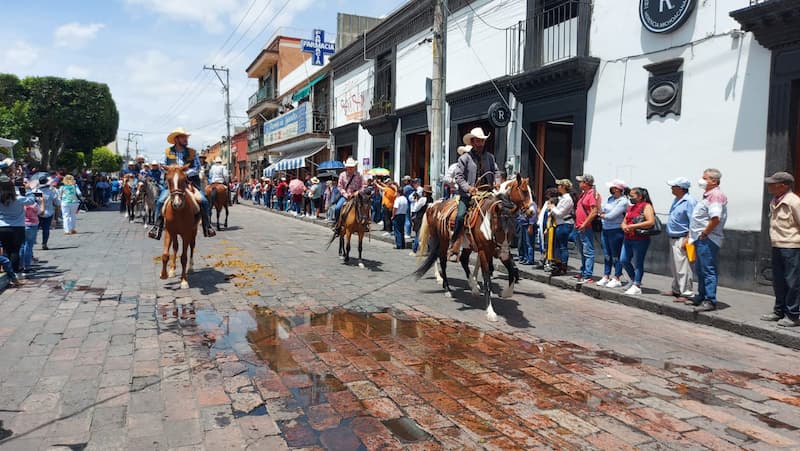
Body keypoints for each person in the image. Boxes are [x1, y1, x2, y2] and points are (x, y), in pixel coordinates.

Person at [148, 127, 216, 239]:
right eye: (183, 137)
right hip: (172, 184)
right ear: (176, 139)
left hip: (190, 183)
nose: (186, 139)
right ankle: (157, 227)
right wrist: (172, 172)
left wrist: (184, 173)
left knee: (203, 201)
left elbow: (197, 167)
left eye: (186, 137)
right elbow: (161, 165)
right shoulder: (168, 152)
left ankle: (207, 227)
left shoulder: (192, 152)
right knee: (160, 201)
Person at [449, 127, 501, 261]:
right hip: (469, 195)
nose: (480, 144)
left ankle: (499, 244)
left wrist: (497, 181)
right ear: (472, 142)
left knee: (500, 213)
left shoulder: (490, 157)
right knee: (460, 216)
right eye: (477, 141)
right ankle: (455, 246)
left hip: (487, 193)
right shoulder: (464, 158)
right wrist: (468, 188)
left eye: (482, 141)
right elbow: (459, 176)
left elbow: (496, 172)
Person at [685, 168, 728, 312]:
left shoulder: (715, 195)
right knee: (700, 269)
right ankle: (701, 295)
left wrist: (705, 233)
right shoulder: (708, 195)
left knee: (708, 269)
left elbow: (715, 218)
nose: (701, 180)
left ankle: (710, 300)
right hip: (700, 238)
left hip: (708, 238)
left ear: (714, 181)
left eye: (705, 178)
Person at [761, 171, 800, 327]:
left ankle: (794, 315)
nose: (769, 186)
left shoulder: (794, 202)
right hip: (777, 245)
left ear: (783, 186)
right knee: (779, 281)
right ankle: (779, 311)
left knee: (792, 282)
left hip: (792, 246)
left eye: (773, 183)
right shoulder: (775, 200)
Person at [619, 187, 656, 295]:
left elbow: (650, 222)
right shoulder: (631, 207)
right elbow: (624, 220)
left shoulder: (646, 206)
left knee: (638, 262)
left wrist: (633, 226)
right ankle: (633, 279)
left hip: (640, 239)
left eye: (632, 196)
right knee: (624, 259)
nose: (630, 198)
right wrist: (624, 226)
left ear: (640, 196)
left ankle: (637, 285)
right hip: (628, 237)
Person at [664, 177, 696, 301]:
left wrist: (688, 238)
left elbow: (694, 221)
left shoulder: (689, 201)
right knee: (675, 265)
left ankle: (686, 292)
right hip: (673, 237)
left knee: (683, 266)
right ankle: (676, 289)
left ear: (681, 188)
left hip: (682, 237)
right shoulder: (677, 199)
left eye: (674, 186)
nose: (671, 188)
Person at [0, 175, 37, 272]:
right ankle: (15, 271)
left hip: (2, 227)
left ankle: (7, 271)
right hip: (17, 227)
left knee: (6, 250)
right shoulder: (18, 198)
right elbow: (32, 200)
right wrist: (28, 189)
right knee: (15, 250)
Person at [597, 179, 629, 288]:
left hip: (616, 230)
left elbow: (611, 216)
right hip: (605, 229)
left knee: (616, 255)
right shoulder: (610, 199)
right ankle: (606, 275)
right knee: (607, 254)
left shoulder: (623, 201)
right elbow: (602, 210)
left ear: (617, 189)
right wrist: (602, 213)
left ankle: (617, 277)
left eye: (612, 187)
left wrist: (602, 216)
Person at [574, 174, 600, 283]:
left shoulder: (591, 194)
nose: (579, 183)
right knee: (582, 250)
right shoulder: (584, 194)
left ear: (586, 183)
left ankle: (588, 274)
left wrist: (584, 224)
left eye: (581, 181)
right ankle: (584, 271)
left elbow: (594, 211)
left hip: (585, 227)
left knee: (588, 251)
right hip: (579, 226)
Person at [547, 179, 575, 275]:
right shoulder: (562, 198)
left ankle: (563, 267)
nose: (558, 187)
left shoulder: (567, 199)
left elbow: (560, 213)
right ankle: (558, 265)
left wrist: (552, 207)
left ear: (563, 187)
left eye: (559, 185)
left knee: (563, 247)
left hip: (564, 224)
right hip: (559, 224)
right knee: (558, 246)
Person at [331, 158, 365, 234]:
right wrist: (346, 194)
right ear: (346, 167)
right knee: (337, 208)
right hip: (346, 196)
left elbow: (363, 186)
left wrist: (358, 192)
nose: (350, 169)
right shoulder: (342, 175)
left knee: (365, 207)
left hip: (357, 196)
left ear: (354, 167)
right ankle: (337, 225)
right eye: (349, 167)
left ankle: (365, 224)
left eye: (352, 167)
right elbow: (340, 186)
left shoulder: (359, 175)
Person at [20, 183, 44, 275]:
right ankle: (27, 265)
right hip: (32, 225)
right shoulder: (33, 204)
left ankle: (20, 265)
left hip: (22, 224)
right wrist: (42, 202)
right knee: (29, 246)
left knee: (22, 246)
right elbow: (40, 212)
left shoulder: (19, 203)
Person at [33, 175, 59, 250]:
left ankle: (31, 241)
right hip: (48, 212)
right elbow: (57, 202)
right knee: (46, 229)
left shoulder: (35, 191)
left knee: (35, 228)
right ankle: (44, 243)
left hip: (37, 212)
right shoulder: (51, 192)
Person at [410, 185, 433, 256]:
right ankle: (429, 250)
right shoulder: (431, 199)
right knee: (427, 235)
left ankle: (414, 250)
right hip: (428, 218)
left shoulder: (423, 199)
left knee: (418, 235)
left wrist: (417, 201)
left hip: (420, 218)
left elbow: (416, 208)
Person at [392, 181, 409, 249]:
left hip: (397, 215)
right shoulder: (405, 199)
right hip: (403, 215)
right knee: (402, 230)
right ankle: (403, 244)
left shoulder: (398, 199)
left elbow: (395, 208)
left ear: (398, 193)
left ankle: (398, 244)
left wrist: (393, 215)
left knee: (397, 230)